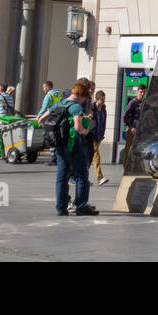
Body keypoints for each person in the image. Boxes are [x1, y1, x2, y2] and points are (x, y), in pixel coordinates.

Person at [52, 82, 97, 216]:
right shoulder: (75, 107)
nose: (84, 101)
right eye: (84, 98)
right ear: (81, 95)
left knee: (61, 176)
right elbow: (78, 128)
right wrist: (86, 130)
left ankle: (61, 207)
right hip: (73, 144)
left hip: (59, 145)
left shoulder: (59, 104)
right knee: (81, 174)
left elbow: (42, 118)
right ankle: (81, 206)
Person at [35, 81, 62, 165]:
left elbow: (44, 108)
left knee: (49, 139)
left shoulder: (48, 96)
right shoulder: (58, 94)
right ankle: (58, 157)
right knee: (56, 138)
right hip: (58, 119)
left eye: (44, 87)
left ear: (48, 87)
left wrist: (38, 117)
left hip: (50, 119)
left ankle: (54, 158)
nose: (43, 89)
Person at [89, 90, 109, 186]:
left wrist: (102, 134)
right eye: (102, 99)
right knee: (96, 156)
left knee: (90, 157)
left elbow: (103, 122)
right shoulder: (91, 109)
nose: (104, 101)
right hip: (92, 135)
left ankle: (80, 176)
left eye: (104, 99)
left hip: (99, 136)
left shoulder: (103, 110)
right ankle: (100, 177)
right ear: (97, 99)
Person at [122, 84, 146, 161]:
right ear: (137, 91)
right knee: (128, 149)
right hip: (132, 130)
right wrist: (130, 126)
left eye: (144, 92)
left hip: (140, 130)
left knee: (139, 149)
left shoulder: (145, 103)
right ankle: (125, 167)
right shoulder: (133, 102)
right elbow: (125, 116)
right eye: (141, 92)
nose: (142, 94)